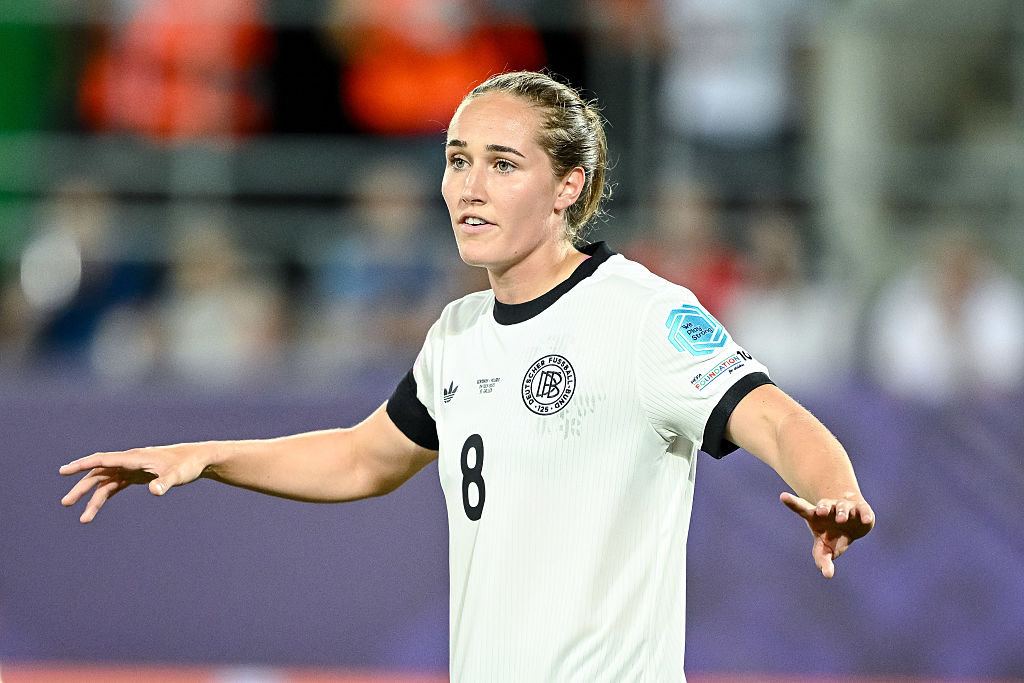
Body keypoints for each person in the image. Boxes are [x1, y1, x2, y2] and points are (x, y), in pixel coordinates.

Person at [60, 71, 874, 682]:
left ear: (567, 188)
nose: (468, 187)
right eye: (457, 160)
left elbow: (772, 416)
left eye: (502, 164)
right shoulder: (457, 333)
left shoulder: (641, 314)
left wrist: (833, 487)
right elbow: (363, 458)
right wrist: (207, 455)